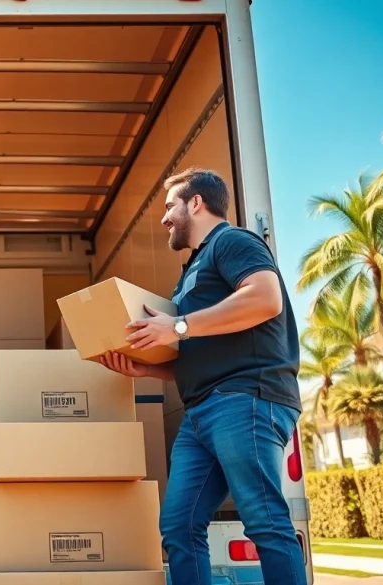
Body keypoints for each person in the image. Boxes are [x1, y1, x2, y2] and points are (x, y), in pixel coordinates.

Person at [99, 168, 306, 585]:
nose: (164, 219)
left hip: (244, 398)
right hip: (201, 414)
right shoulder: (191, 272)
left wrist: (177, 326)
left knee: (264, 521)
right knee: (178, 525)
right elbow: (201, 350)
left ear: (196, 203)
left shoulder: (232, 242)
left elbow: (266, 298)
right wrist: (148, 367)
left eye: (170, 206)